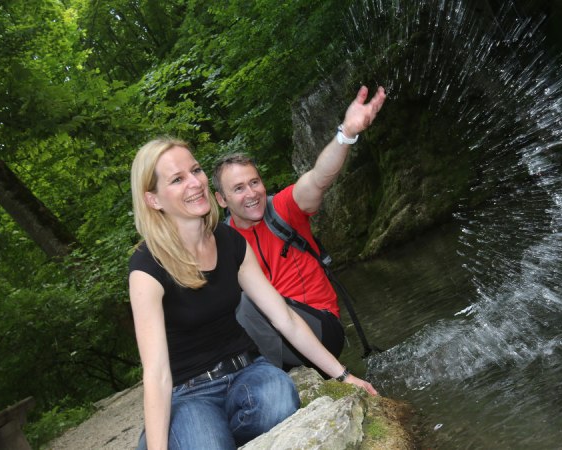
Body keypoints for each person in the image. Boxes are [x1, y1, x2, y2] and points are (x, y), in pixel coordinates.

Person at [128, 138, 377, 450]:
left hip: (247, 372)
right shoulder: (146, 267)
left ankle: (212, 432)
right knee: (208, 444)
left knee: (280, 399)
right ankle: (181, 433)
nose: (195, 183)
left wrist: (344, 376)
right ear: (153, 200)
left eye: (196, 170)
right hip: (190, 391)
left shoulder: (230, 240)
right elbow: (156, 374)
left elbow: (284, 318)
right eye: (177, 179)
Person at [212, 85, 386, 373]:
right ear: (221, 200)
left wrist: (346, 134)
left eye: (254, 182)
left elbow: (319, 179)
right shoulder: (222, 242)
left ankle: (264, 372)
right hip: (271, 337)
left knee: (246, 304)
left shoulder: (284, 209)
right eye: (239, 188)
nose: (251, 193)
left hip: (320, 328)